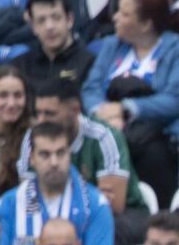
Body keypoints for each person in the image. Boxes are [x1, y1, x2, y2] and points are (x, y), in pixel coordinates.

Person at [83, 0, 179, 208]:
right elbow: (91, 87)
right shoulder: (111, 45)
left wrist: (127, 109)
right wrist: (102, 114)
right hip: (108, 130)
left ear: (145, 24)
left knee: (153, 156)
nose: (115, 17)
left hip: (158, 138)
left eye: (125, 14)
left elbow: (178, 99)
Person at [27, 81, 144, 234]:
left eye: (49, 114)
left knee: (104, 227)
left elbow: (112, 206)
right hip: (54, 213)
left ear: (75, 110)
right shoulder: (32, 138)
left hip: (126, 214)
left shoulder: (104, 136)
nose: (41, 121)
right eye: (38, 113)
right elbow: (30, 199)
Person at [0, 121, 113, 245]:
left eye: (60, 153)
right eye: (45, 154)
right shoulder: (9, 203)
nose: (54, 162)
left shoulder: (94, 203)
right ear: (32, 158)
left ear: (69, 154)